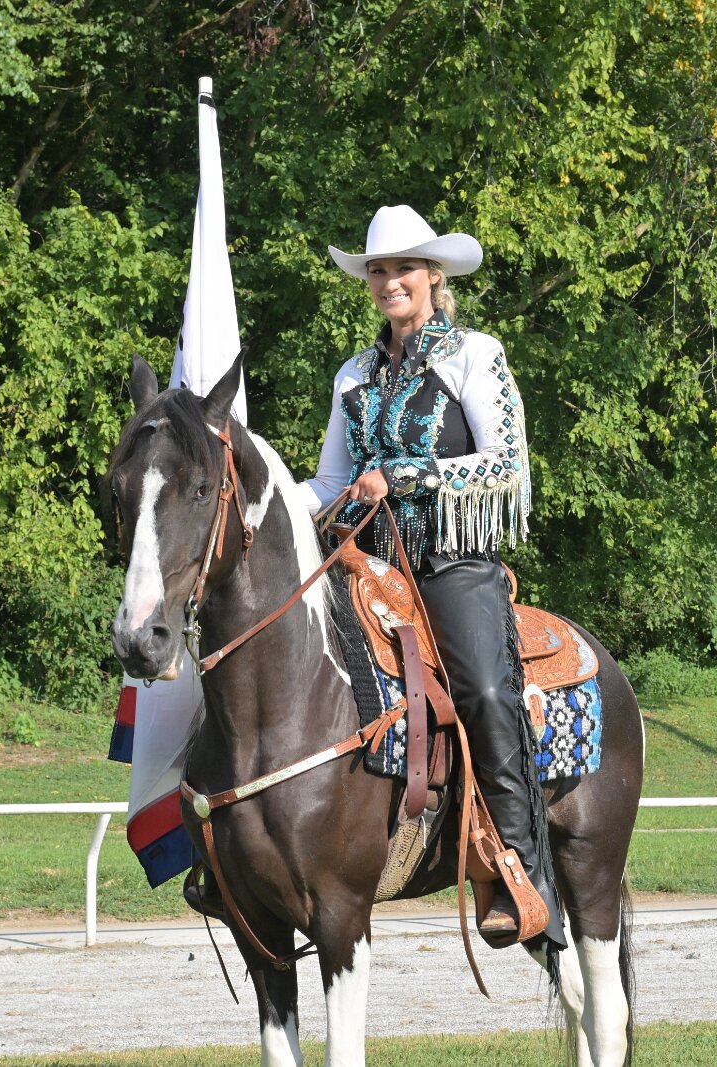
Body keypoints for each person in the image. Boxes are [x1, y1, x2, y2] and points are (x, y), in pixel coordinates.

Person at [297, 204, 565, 951]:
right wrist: (266, 497)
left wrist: (406, 474)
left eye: (403, 269)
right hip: (367, 562)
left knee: (485, 689)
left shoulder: (474, 353)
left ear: (433, 276)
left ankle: (521, 869)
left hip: (450, 561)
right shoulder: (354, 374)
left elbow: (507, 464)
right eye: (378, 270)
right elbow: (330, 482)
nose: (390, 281)